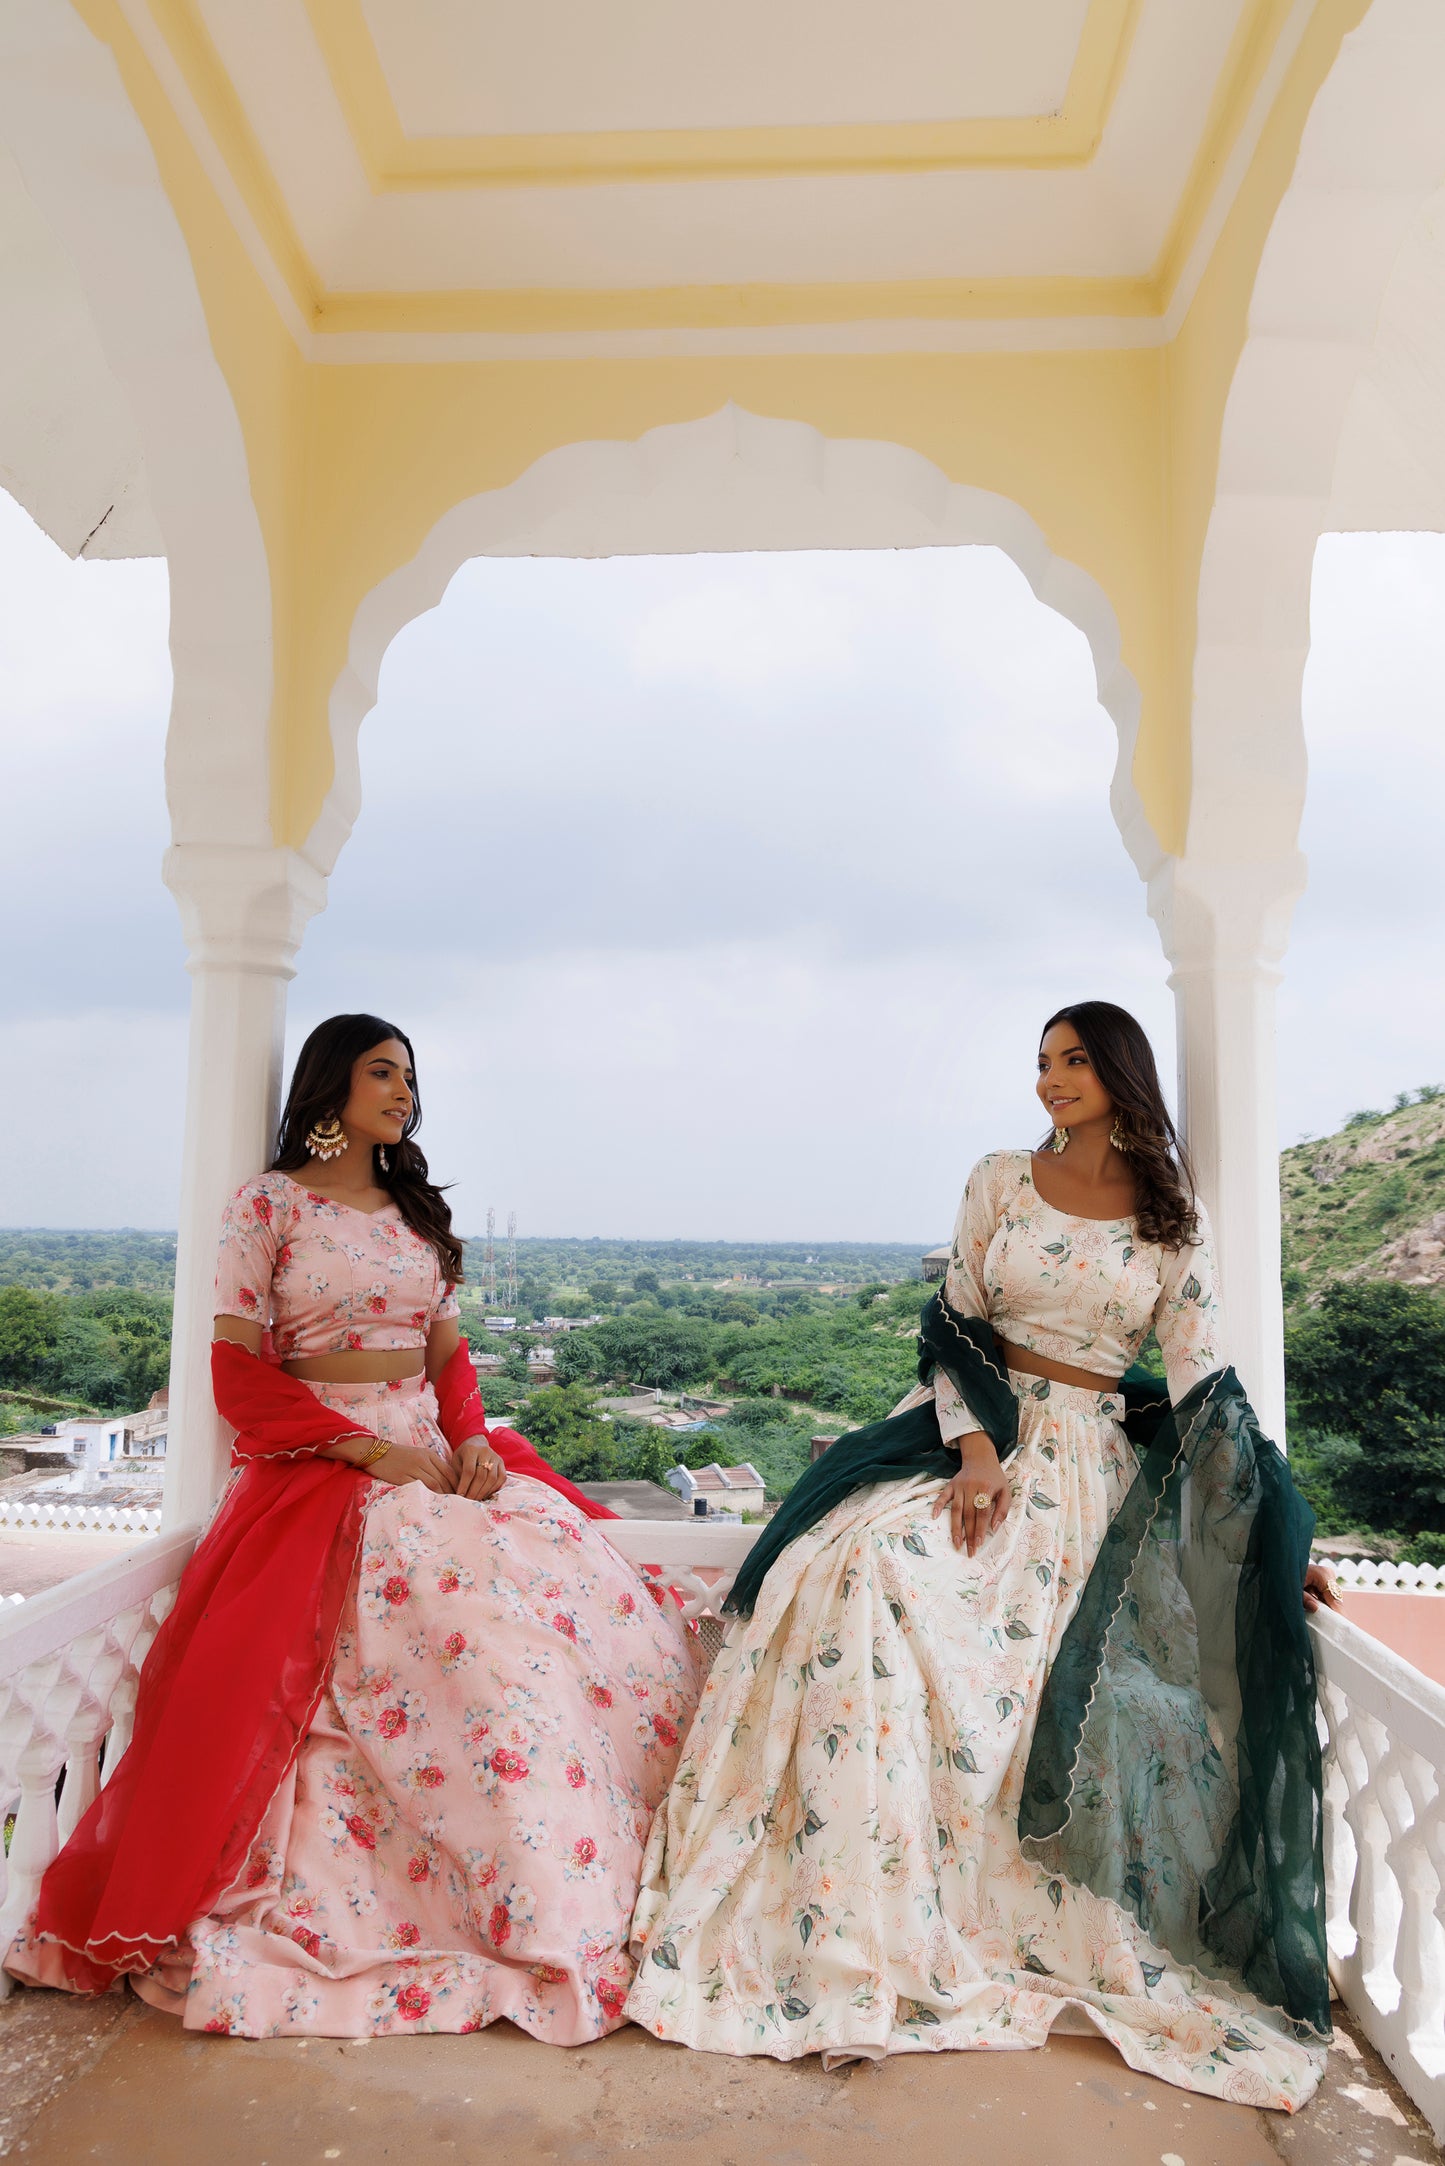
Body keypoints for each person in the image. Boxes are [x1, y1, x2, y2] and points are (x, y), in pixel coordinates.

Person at [627, 1002, 1338, 2111]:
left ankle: (1002, 1916)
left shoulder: (1169, 1216)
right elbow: (952, 1323)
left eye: (1074, 1060)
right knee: (861, 1564)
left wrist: (1268, 1536)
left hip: (1087, 1468)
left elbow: (1201, 1383)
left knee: (1051, 1681)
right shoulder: (1000, 1179)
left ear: (1120, 1072)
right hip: (977, 1439)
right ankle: (852, 1910)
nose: (1050, 1078)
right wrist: (973, 1450)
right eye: (1042, 1061)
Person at [8, 1014, 698, 2041]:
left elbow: (448, 1357)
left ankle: (569, 1885)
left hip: (433, 1453)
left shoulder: (418, 1213)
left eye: (410, 1077)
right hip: (324, 1463)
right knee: (416, 1647)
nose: (404, 1093)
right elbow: (235, 1369)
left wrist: (471, 1442)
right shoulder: (269, 1205)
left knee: (538, 1643)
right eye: (383, 1072)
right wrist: (365, 1451)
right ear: (331, 1084)